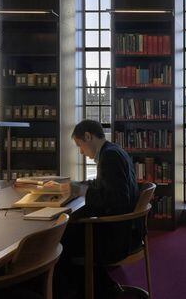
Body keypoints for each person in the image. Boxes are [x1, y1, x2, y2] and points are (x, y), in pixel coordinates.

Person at [55, 119, 142, 298]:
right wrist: (81, 185)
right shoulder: (114, 150)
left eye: (80, 145)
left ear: (88, 136)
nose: (80, 151)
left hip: (116, 236)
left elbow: (117, 199)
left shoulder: (109, 156)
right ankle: (101, 287)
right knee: (69, 233)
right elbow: (106, 185)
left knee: (59, 242)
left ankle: (74, 290)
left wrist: (82, 191)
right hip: (126, 230)